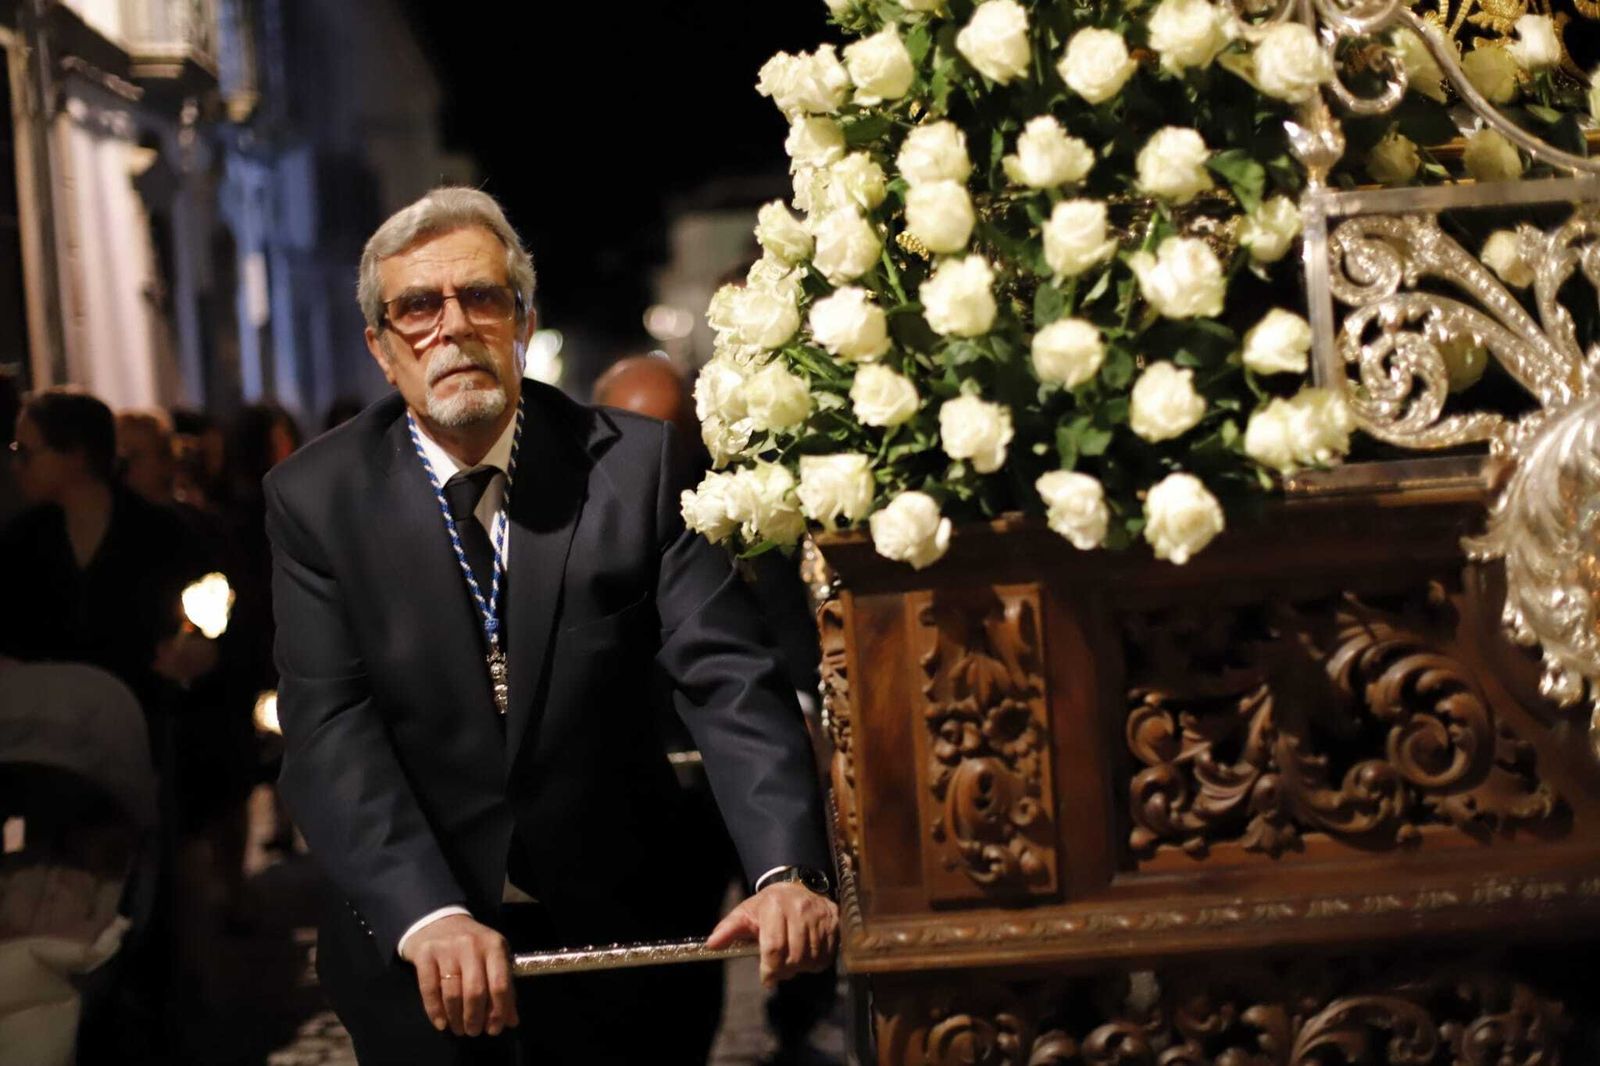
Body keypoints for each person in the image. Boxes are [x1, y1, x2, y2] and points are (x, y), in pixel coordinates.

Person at [264, 186, 836, 1066]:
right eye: (416, 307)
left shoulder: (633, 467)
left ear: (523, 321)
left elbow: (728, 675)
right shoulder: (316, 499)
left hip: (623, 943)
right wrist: (430, 913)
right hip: (426, 947)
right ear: (382, 349)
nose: (450, 327)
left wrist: (784, 870)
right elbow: (330, 729)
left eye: (480, 297)